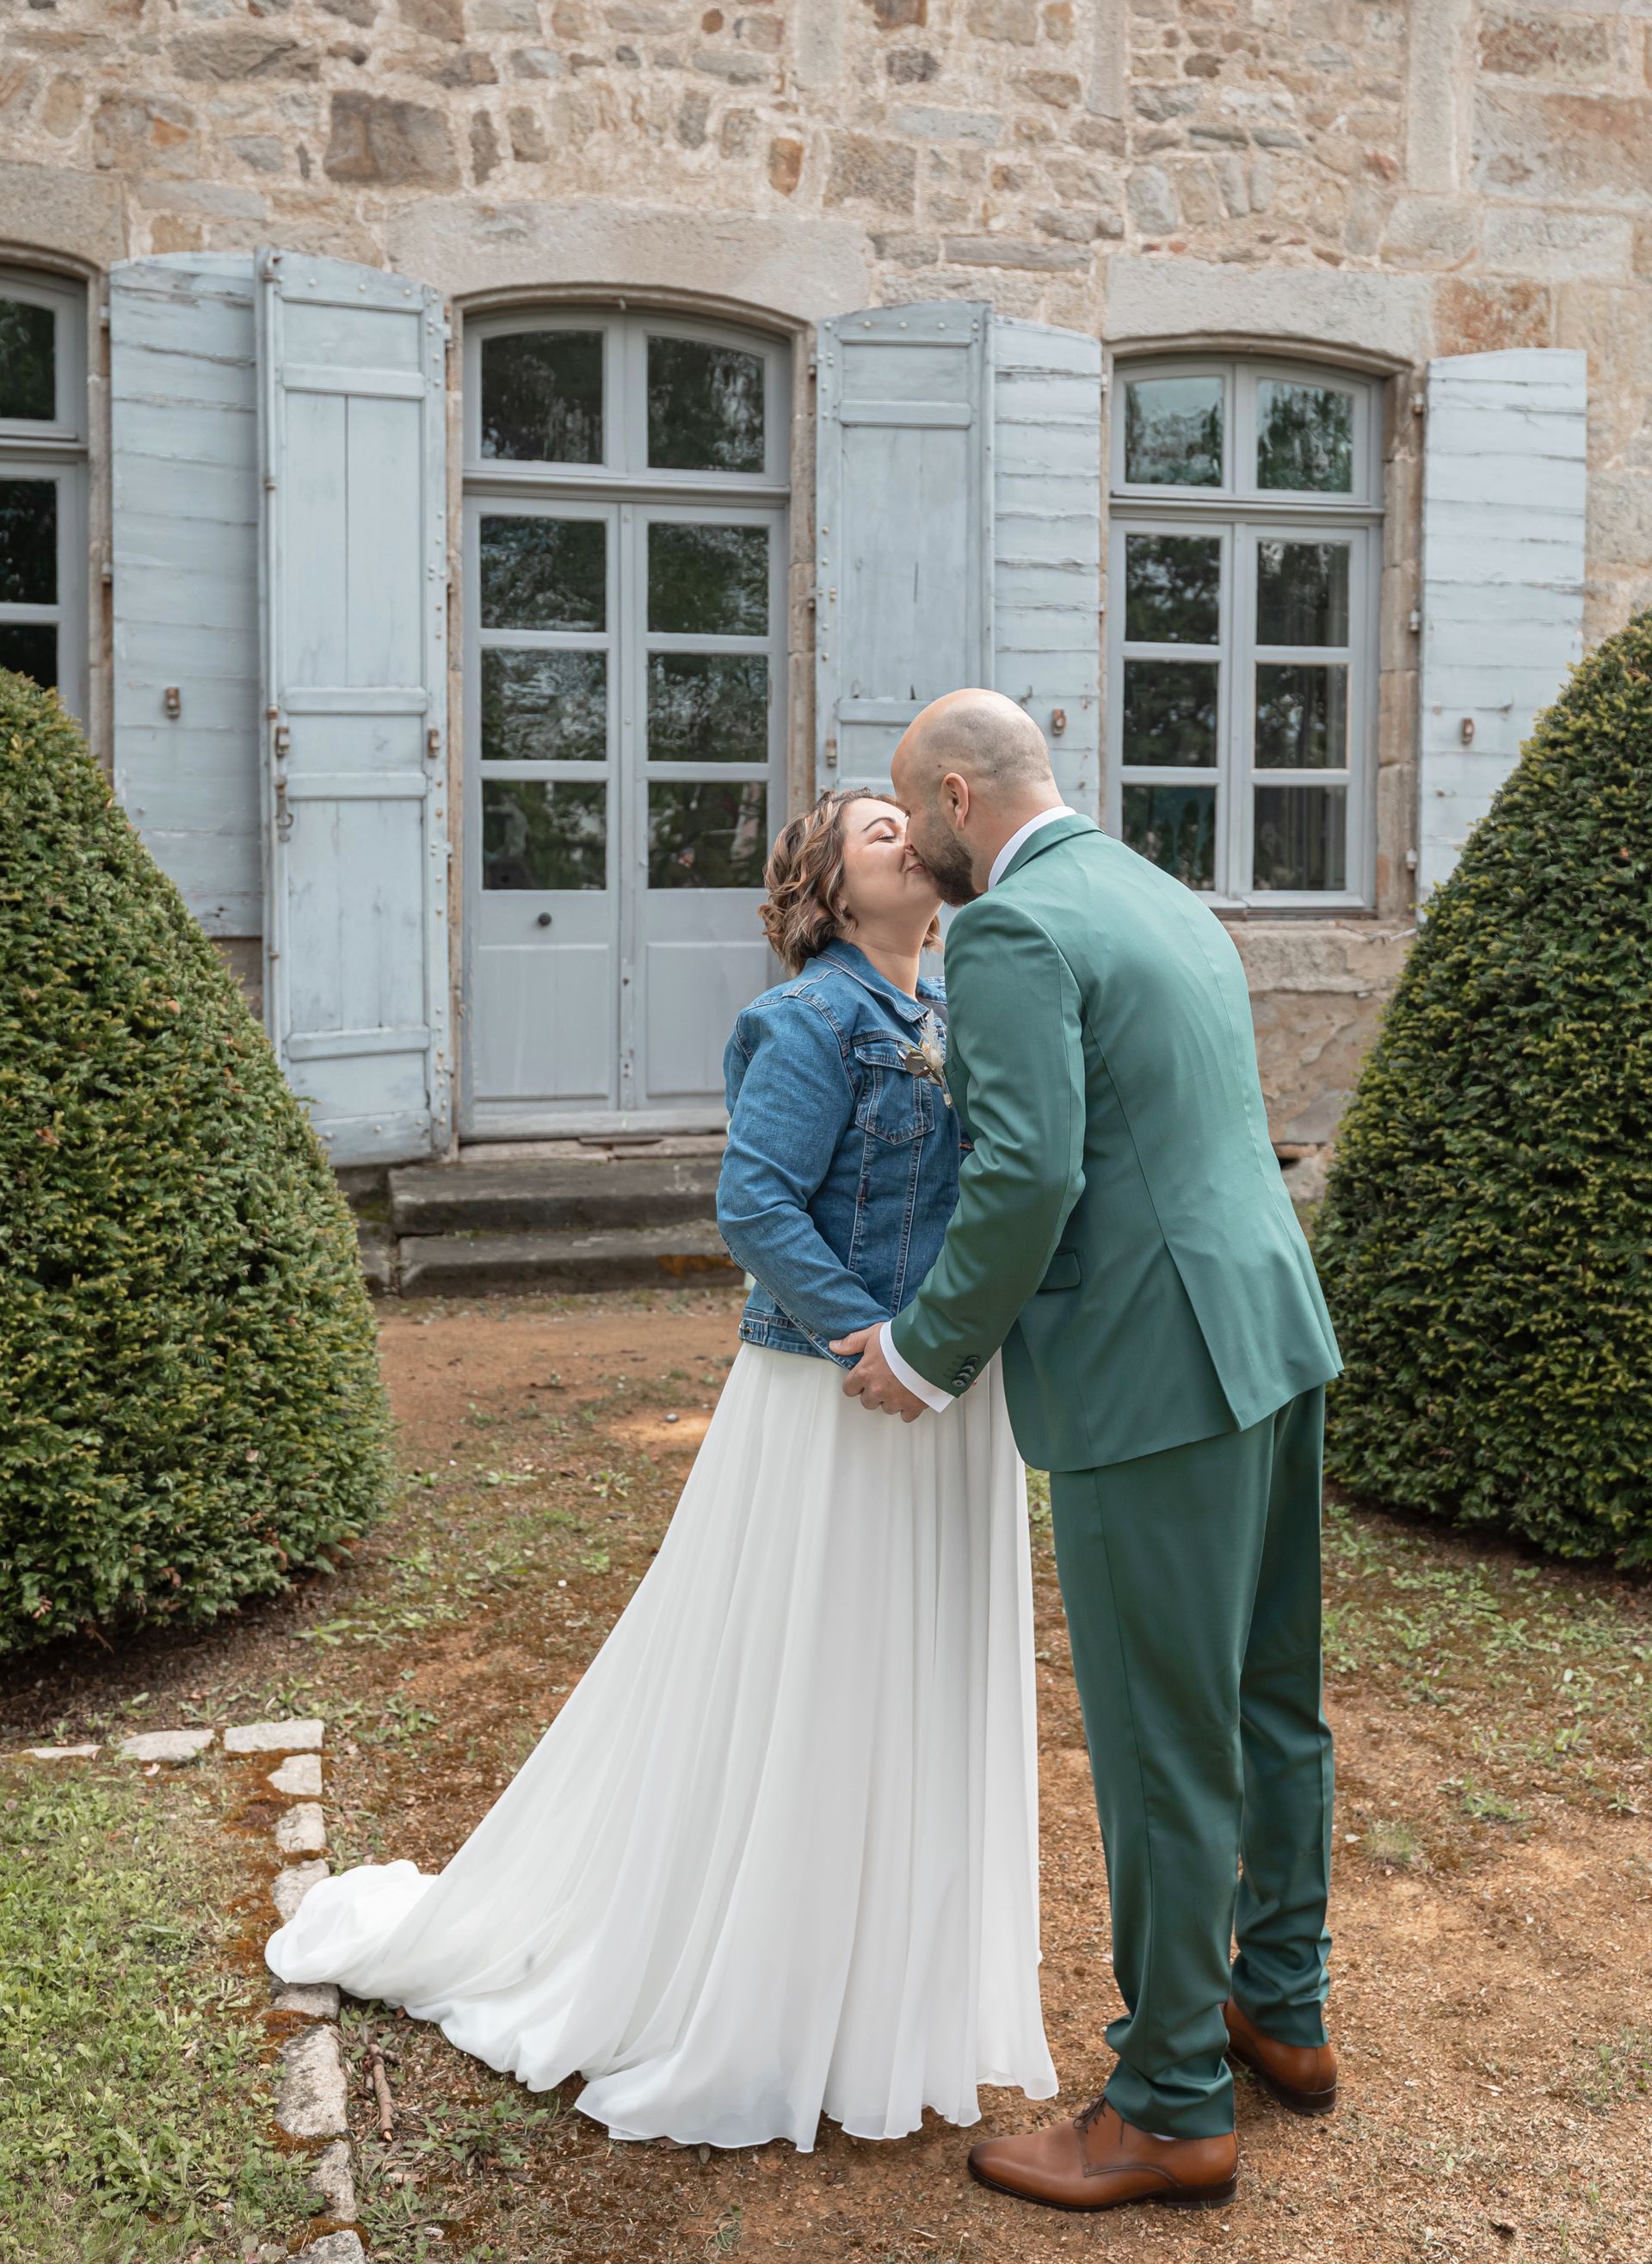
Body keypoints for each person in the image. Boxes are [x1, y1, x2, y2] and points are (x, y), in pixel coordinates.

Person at [265, 786, 1057, 2152]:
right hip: (834, 1399)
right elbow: (754, 1202)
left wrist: (951, 1348)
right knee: (819, 1671)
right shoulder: (805, 1020)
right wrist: (869, 1339)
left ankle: (881, 1991)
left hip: (945, 1397)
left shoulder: (951, 1013)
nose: (913, 841)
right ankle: (761, 1988)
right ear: (829, 889)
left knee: (911, 1675)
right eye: (880, 833)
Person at [832, 690, 1343, 2217]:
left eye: (915, 815)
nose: (915, 848)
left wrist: (925, 1351)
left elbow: (1029, 1172)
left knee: (1162, 1740)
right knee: (1270, 1697)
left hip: (1150, 1373)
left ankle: (1172, 2099)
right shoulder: (1156, 893)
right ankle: (1285, 2008)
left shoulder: (1010, 932)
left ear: (959, 797)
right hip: (1267, 1334)